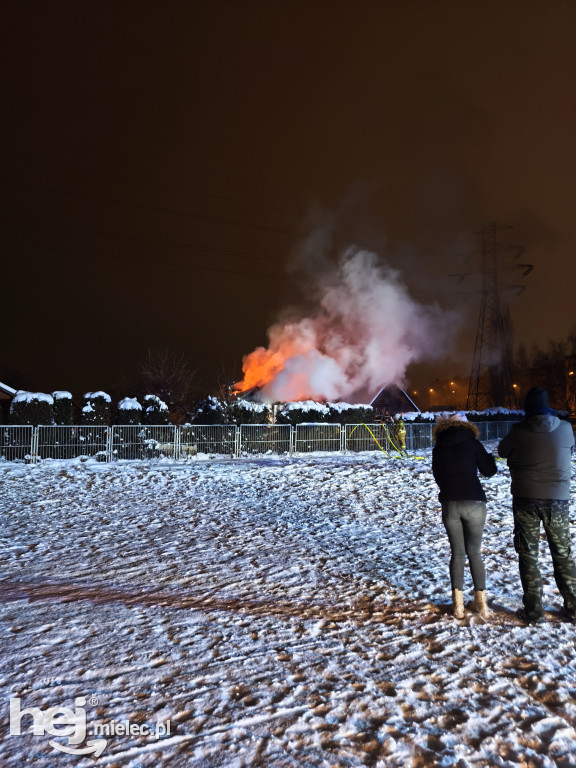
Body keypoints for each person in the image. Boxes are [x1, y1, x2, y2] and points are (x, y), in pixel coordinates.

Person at [498, 386, 576, 626]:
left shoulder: (519, 430)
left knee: (528, 555)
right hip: (558, 500)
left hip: (525, 500)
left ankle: (534, 612)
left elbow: (502, 451)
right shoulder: (565, 428)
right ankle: (573, 608)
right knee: (563, 554)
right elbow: (569, 451)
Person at [432, 412, 497, 619]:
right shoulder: (472, 443)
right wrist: (489, 459)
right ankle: (481, 604)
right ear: (467, 426)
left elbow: (438, 476)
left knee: (457, 553)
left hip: (450, 501)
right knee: (475, 553)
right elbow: (489, 471)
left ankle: (458, 606)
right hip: (475, 501)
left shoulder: (439, 447)